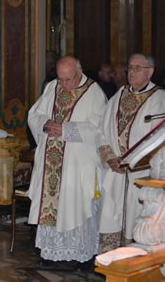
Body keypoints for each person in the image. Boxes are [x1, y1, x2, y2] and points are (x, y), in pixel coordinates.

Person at [27, 56, 106, 268]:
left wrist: (68, 130)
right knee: (52, 205)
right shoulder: (52, 87)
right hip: (51, 163)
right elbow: (34, 114)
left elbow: (99, 128)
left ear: (79, 73)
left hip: (77, 165)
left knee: (76, 206)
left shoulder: (94, 92)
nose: (63, 85)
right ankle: (51, 253)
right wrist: (45, 124)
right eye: (60, 79)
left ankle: (82, 253)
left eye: (67, 79)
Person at [97, 53, 165, 253]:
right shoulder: (118, 96)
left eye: (137, 68)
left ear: (150, 72)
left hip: (142, 176)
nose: (131, 72)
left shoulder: (161, 99)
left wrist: (134, 162)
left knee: (140, 222)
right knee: (110, 218)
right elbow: (101, 130)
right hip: (115, 173)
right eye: (130, 68)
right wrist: (110, 158)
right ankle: (113, 265)